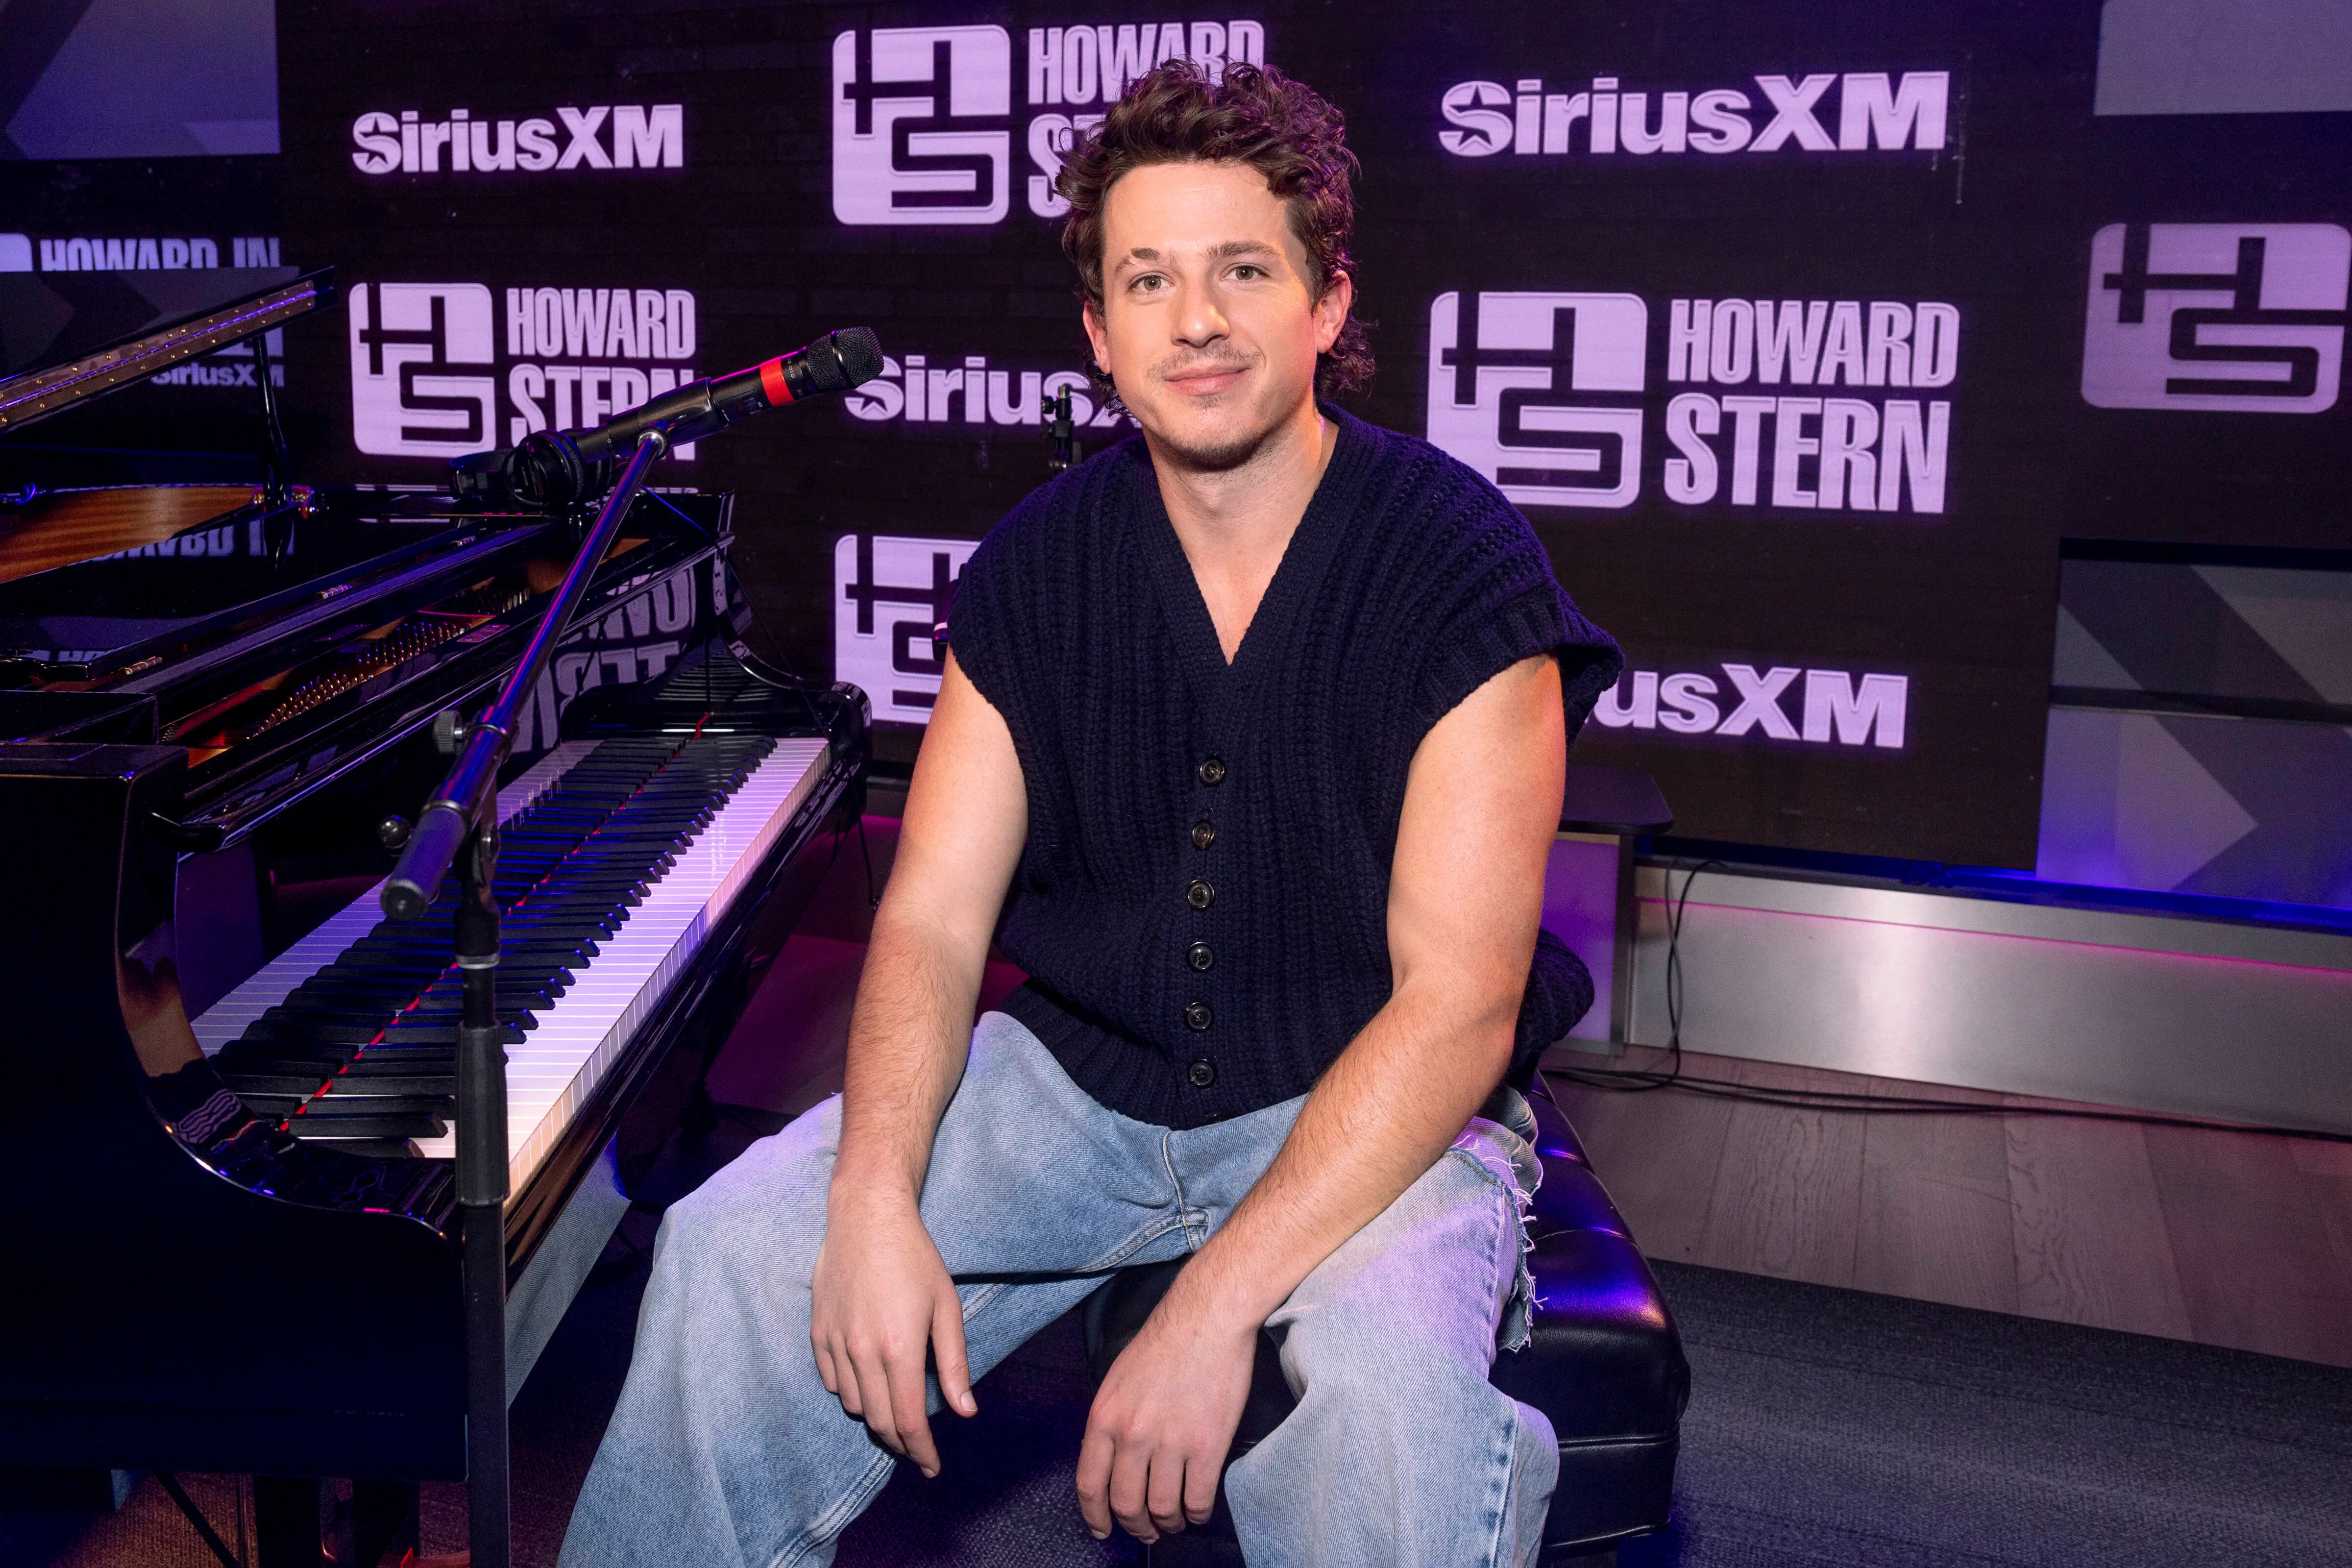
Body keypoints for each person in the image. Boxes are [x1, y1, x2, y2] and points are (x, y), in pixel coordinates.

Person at [561, 59, 1620, 1568]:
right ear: (1099, 335)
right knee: (739, 1251)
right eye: (1150, 281)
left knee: (1390, 1403)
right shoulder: (1033, 570)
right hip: (1079, 1092)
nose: (1197, 320)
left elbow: (1457, 1006)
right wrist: (870, 1192)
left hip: (1371, 1100)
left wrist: (1211, 1307)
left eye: (1244, 271)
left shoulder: (1457, 565)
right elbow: (929, 916)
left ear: (1326, 304)